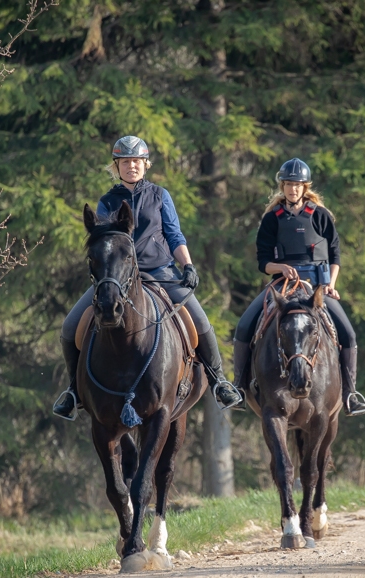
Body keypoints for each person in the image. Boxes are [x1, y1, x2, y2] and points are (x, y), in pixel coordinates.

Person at [53, 135, 243, 420]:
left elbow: (174, 235)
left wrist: (188, 265)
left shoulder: (160, 195)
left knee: (201, 322)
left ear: (145, 164)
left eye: (136, 161)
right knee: (70, 327)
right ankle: (73, 391)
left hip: (159, 272)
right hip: (118, 277)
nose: (131, 166)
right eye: (125, 162)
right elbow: (103, 241)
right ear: (116, 166)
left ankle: (219, 382)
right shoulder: (107, 201)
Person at [232, 158, 365, 416]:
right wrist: (280, 268)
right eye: (288, 184)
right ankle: (238, 388)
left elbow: (335, 255)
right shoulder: (271, 219)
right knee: (243, 326)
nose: (292, 189)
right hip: (282, 285)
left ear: (305, 187)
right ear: (282, 186)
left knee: (348, 334)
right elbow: (263, 262)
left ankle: (351, 394)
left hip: (317, 287)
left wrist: (330, 285)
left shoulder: (321, 215)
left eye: (297, 185)